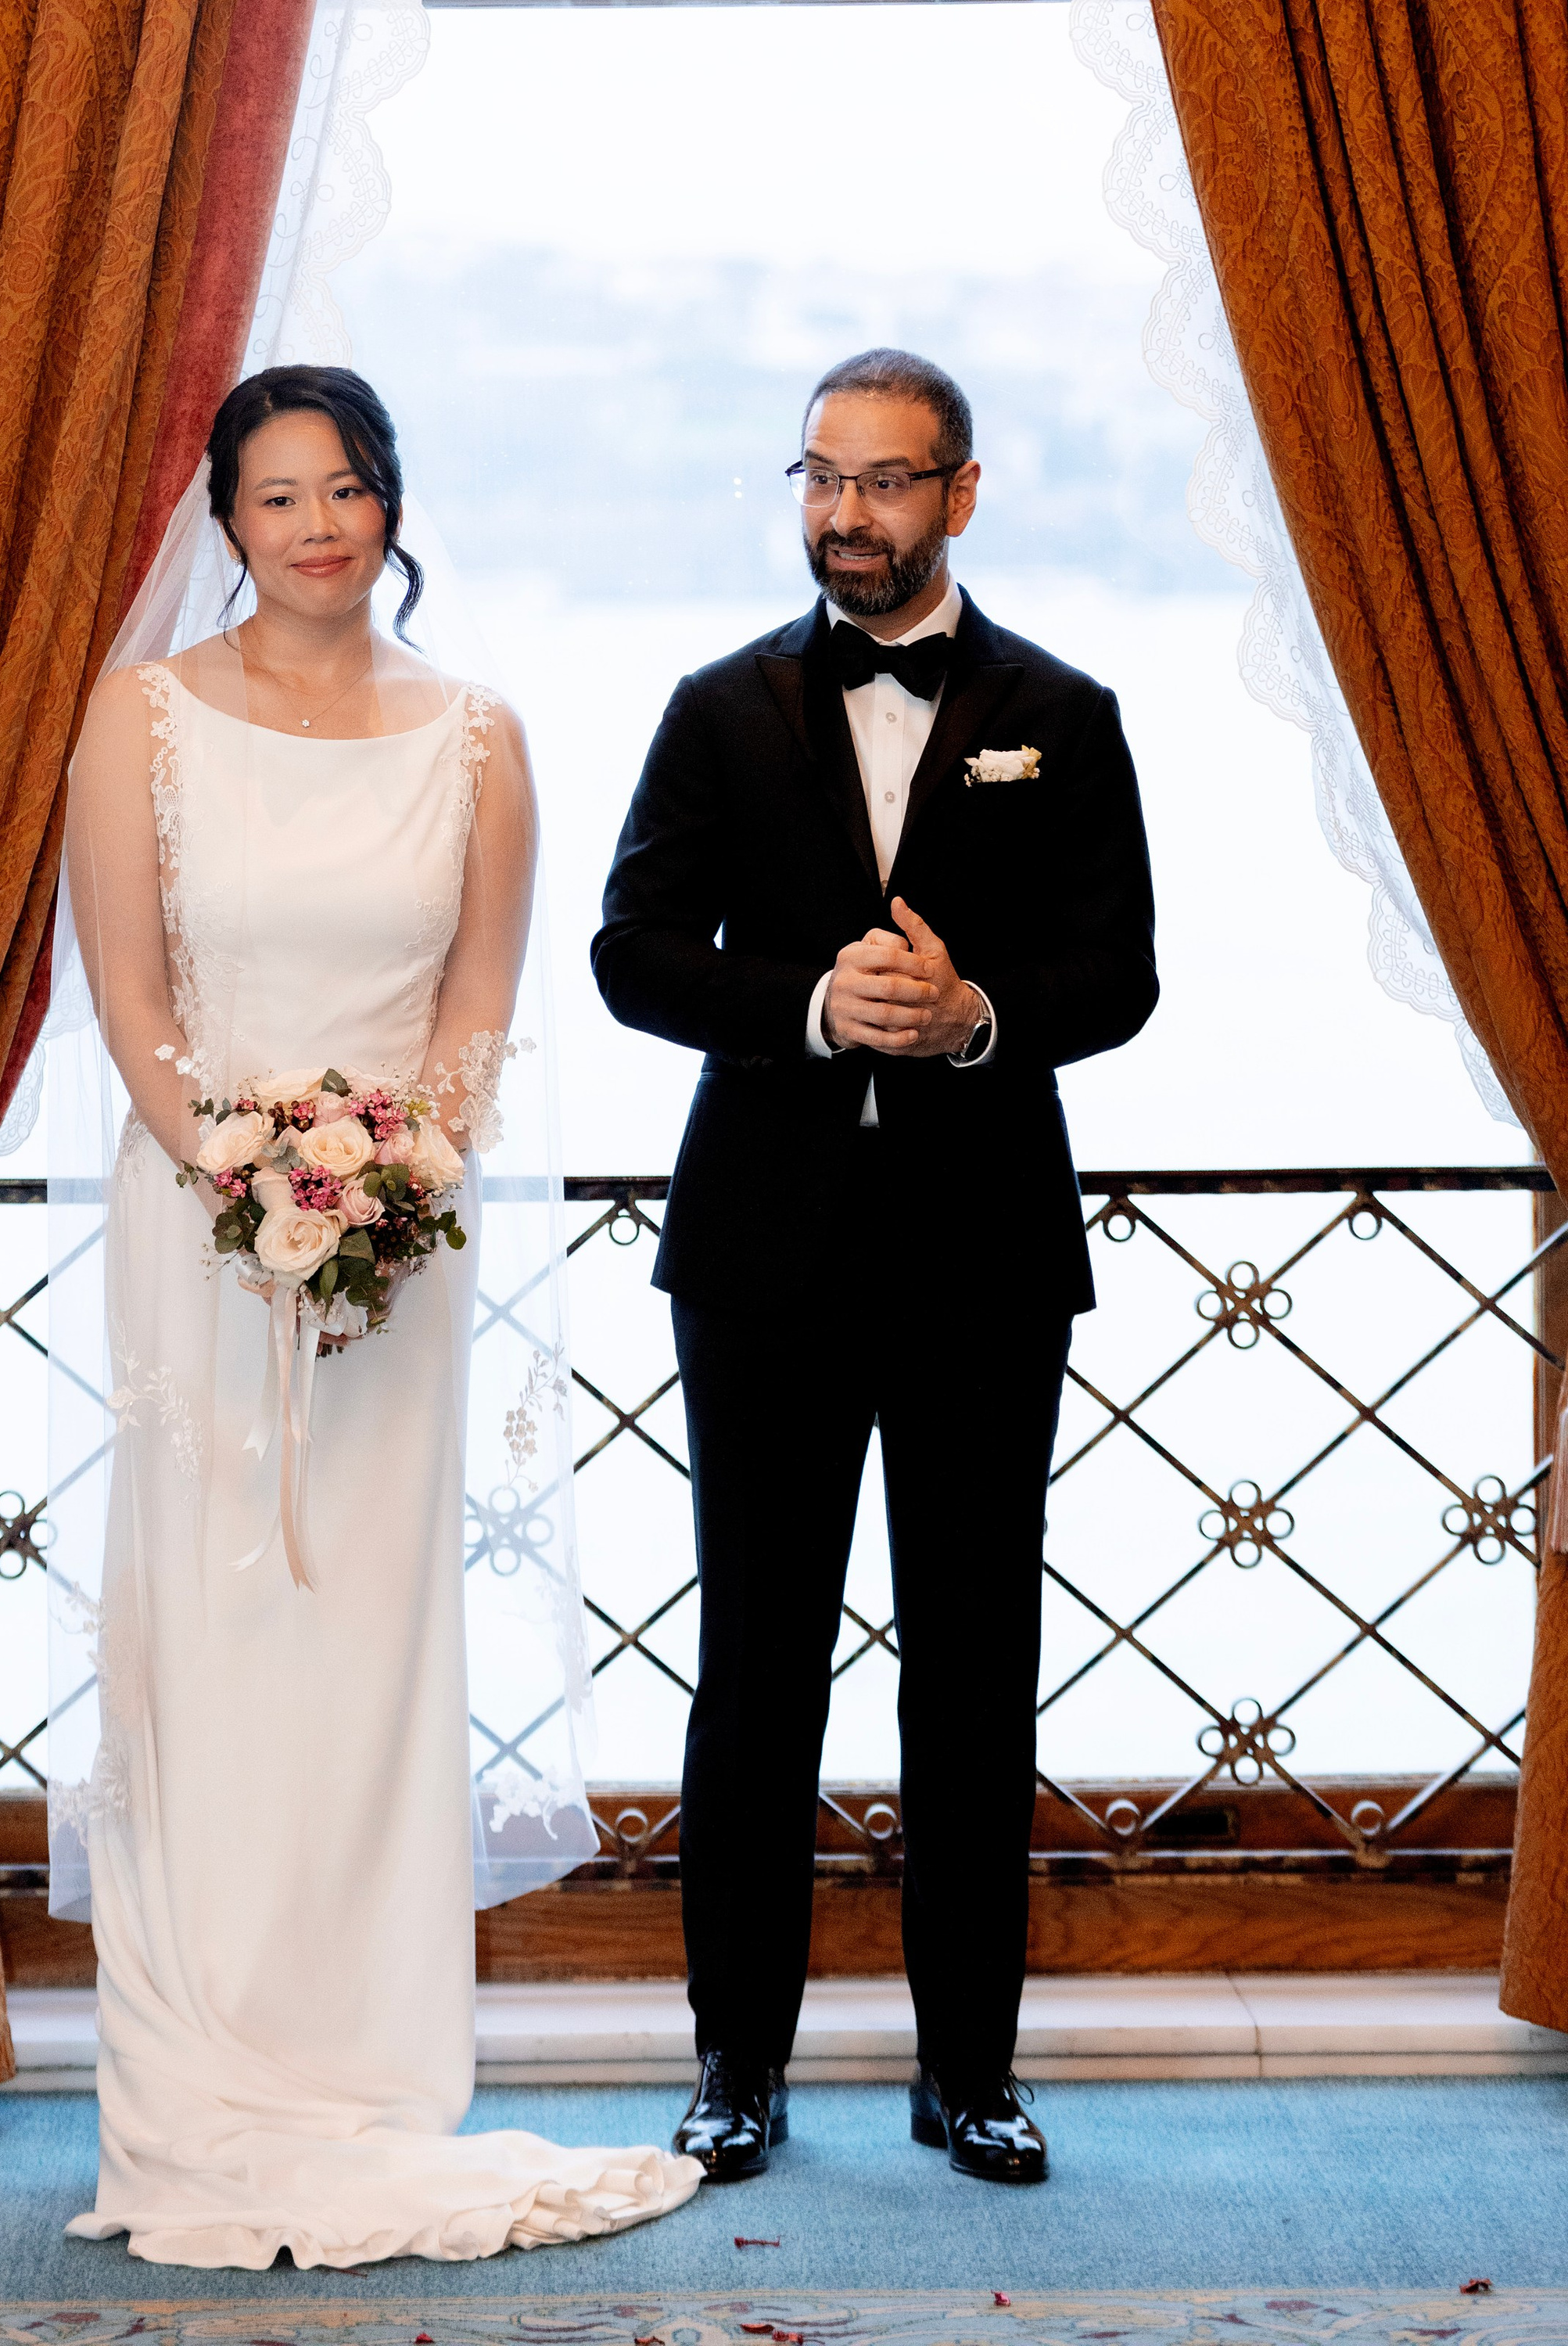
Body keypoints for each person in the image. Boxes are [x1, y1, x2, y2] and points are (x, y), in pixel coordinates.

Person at [57, 365, 700, 2268]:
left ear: (392, 504)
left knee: (366, 1634)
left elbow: (480, 1008)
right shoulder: (140, 716)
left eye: (345, 488)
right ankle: (206, 2068)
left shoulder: (479, 735)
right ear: (226, 525)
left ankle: (368, 2054)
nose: (317, 523)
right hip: (198, 1229)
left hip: (404, 1248)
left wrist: (391, 1183)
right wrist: (247, 1175)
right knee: (220, 1613)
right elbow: (128, 996)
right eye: (276, 497)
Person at [594, 347, 1157, 2190]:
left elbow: (1120, 973)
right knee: (755, 1665)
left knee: (974, 1667)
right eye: (820, 478)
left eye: (885, 480)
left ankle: (970, 2073)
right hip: (758, 1257)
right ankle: (732, 2067)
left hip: (986, 1259)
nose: (847, 513)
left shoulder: (1061, 715)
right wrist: (815, 1005)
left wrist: (981, 1012)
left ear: (960, 493)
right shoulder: (715, 706)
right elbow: (633, 953)